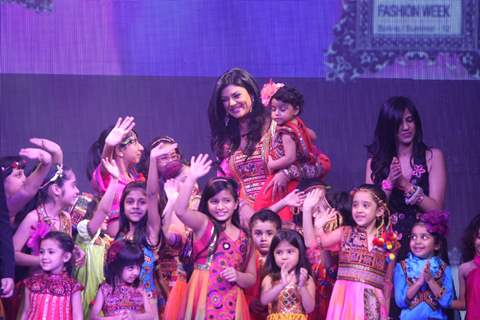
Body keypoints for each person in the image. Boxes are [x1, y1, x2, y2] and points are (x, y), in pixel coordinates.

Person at [208, 68, 327, 225]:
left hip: (285, 211)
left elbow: (319, 164)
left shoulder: (277, 126)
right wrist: (241, 205)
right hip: (246, 219)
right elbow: (225, 184)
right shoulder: (227, 140)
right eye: (225, 100)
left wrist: (288, 173)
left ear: (251, 94)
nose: (231, 103)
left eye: (236, 96)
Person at [173, 153, 256, 319]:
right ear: (207, 203)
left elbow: (251, 277)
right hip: (203, 295)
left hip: (232, 302)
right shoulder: (204, 224)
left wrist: (238, 276)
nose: (220, 206)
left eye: (226, 201)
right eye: (214, 201)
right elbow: (180, 211)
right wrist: (192, 178)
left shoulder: (245, 237)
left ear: (235, 204)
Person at [365, 97, 447, 254]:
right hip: (388, 245)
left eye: (410, 120)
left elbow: (437, 211)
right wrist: (389, 184)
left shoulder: (432, 156)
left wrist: (406, 185)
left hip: (424, 245)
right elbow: (369, 215)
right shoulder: (374, 164)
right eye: (398, 123)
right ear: (388, 127)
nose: (405, 127)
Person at [316, 184, 399, 320]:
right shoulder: (346, 232)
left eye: (365, 205)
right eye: (355, 205)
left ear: (379, 211)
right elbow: (320, 242)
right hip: (345, 297)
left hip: (373, 302)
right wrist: (318, 226)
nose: (359, 210)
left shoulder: (389, 243)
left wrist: (386, 312)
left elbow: (387, 283)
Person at [254, 81, 330, 222]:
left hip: (290, 172)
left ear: (295, 110)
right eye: (273, 109)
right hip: (298, 171)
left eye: (282, 109)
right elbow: (313, 135)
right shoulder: (297, 123)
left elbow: (289, 158)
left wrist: (271, 165)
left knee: (264, 205)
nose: (276, 113)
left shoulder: (286, 132)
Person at [75, 158, 117, 318]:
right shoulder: (84, 233)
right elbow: (103, 211)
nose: (106, 216)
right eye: (98, 212)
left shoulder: (106, 241)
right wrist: (114, 180)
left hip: (101, 294)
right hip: (86, 294)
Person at [88, 116, 145, 236]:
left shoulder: (136, 178)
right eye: (135, 142)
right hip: (116, 247)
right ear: (119, 150)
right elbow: (106, 164)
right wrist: (109, 146)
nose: (141, 148)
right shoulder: (109, 177)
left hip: (137, 243)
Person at [114, 180, 162, 320]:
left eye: (142, 202)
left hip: (146, 306)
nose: (135, 206)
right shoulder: (119, 238)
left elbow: (152, 195)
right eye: (130, 202)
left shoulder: (150, 234)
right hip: (119, 305)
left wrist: (153, 159)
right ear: (123, 206)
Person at [394, 211, 453, 319]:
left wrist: (430, 280)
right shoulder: (402, 267)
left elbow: (446, 302)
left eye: (424, 237)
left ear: (437, 245)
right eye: (413, 237)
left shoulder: (444, 269)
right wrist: (418, 283)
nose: (417, 241)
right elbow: (400, 302)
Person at [19, 231, 83, 320]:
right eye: (41, 252)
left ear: (66, 257)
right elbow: (26, 312)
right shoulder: (31, 283)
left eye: (51, 252)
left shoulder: (73, 287)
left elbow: (78, 317)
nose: (44, 256)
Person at [1, 138, 62, 225]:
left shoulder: (28, 205)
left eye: (23, 174)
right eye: (18, 175)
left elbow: (52, 177)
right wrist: (46, 163)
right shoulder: (3, 209)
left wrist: (57, 153)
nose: (24, 179)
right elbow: (26, 190)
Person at [90, 240, 155, 319]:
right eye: (131, 268)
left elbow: (151, 316)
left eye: (138, 267)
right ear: (117, 266)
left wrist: (134, 317)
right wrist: (114, 318)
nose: (136, 272)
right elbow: (93, 317)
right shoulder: (105, 289)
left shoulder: (140, 287)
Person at [260, 229, 316, 320]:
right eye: (279, 252)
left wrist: (302, 286)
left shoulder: (306, 279)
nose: (284, 257)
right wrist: (281, 285)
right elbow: (264, 301)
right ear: (272, 255)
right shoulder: (270, 278)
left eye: (290, 252)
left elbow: (309, 308)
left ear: (300, 253)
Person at [246, 209, 282, 320]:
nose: (263, 238)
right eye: (258, 233)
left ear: (278, 233)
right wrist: (249, 300)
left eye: (269, 233)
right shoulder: (244, 256)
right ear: (250, 232)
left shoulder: (284, 258)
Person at [451, 214, 480, 319]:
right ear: (472, 239)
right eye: (479, 237)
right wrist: (437, 298)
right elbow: (463, 304)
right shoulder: (465, 268)